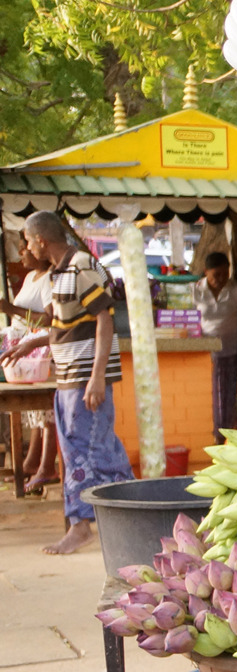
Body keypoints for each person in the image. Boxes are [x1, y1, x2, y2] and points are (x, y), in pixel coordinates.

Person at [2, 211, 134, 555]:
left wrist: (97, 378)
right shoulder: (60, 273)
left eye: (29, 241)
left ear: (41, 240)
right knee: (82, 450)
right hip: (67, 378)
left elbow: (105, 322)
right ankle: (117, 515)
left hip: (84, 378)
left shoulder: (82, 266)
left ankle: (87, 524)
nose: (27, 247)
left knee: (93, 449)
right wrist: (34, 342)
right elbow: (68, 326)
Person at [0, 248, 58, 494]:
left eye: (28, 246)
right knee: (35, 412)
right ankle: (32, 462)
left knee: (47, 411)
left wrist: (11, 310)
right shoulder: (29, 277)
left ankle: (46, 466)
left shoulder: (48, 279)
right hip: (27, 351)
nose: (23, 252)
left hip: (43, 349)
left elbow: (48, 319)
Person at [193, 251, 237, 434]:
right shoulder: (195, 290)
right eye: (216, 275)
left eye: (225, 274)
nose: (222, 279)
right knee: (208, 396)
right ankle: (212, 432)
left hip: (230, 351)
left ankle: (225, 433)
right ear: (205, 271)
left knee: (228, 395)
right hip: (202, 353)